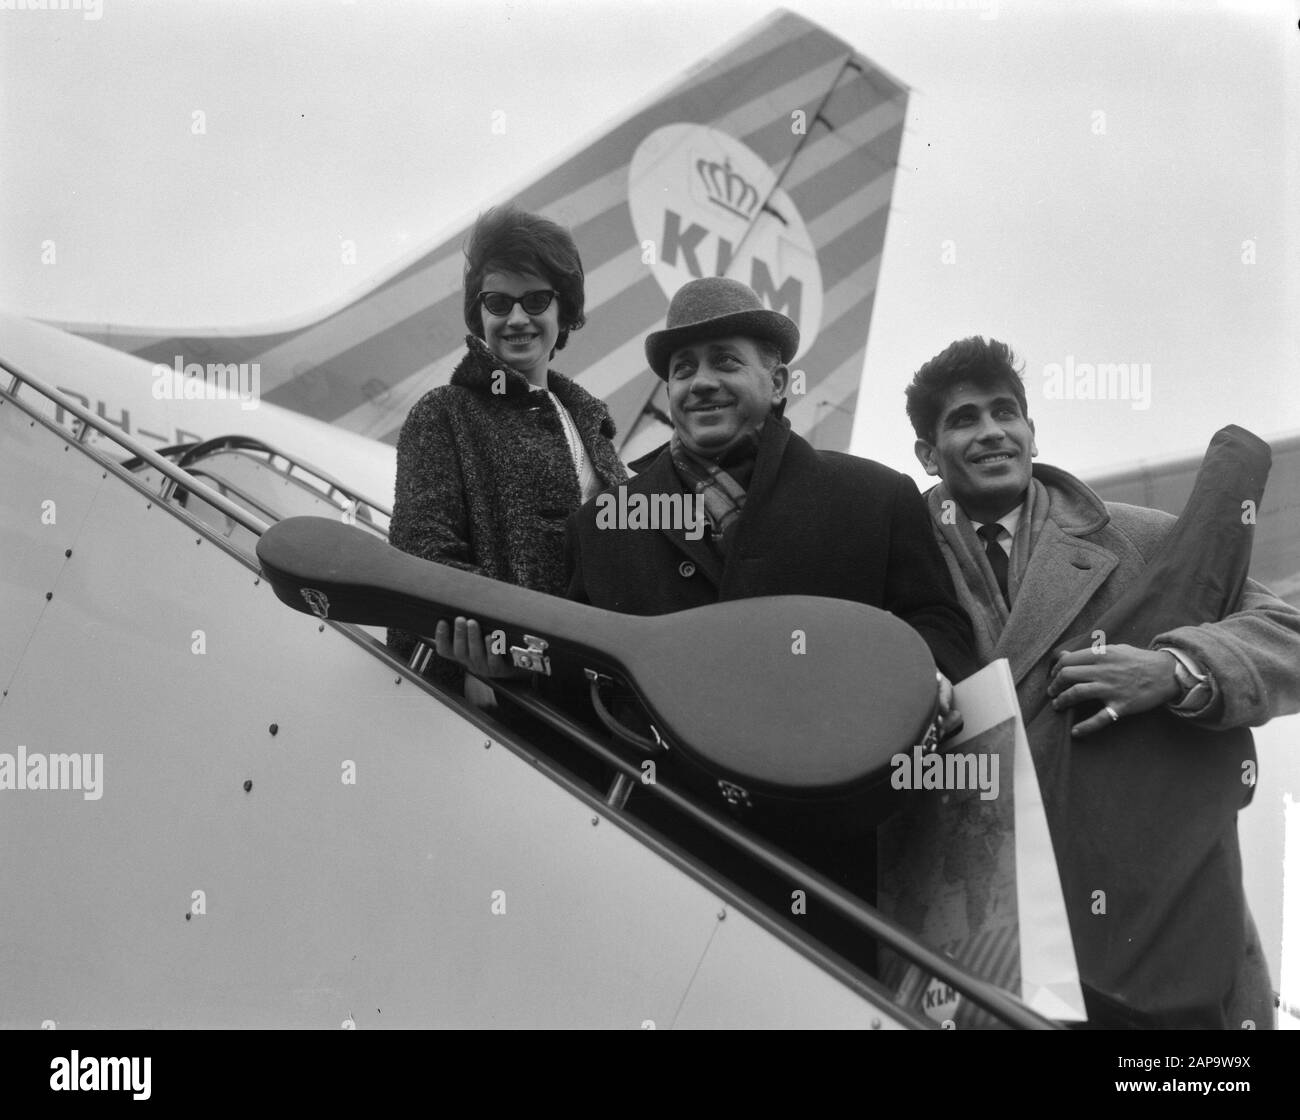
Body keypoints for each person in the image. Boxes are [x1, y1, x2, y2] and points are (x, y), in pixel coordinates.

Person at [904, 336, 1300, 1028]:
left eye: (1006, 412)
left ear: (1031, 429)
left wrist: (1176, 668)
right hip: (976, 921)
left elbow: (1291, 638)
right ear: (928, 454)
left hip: (1149, 923)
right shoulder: (896, 556)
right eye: (964, 419)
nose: (992, 431)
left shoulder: (1141, 539)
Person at [387, 206, 627, 696]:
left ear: (565, 310)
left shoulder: (594, 431)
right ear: (479, 314)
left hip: (595, 708)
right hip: (487, 707)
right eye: (498, 302)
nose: (517, 318)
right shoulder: (444, 413)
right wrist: (510, 650)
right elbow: (423, 556)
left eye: (536, 299)